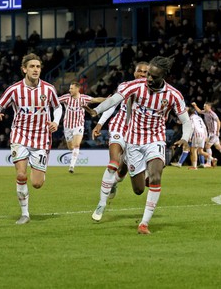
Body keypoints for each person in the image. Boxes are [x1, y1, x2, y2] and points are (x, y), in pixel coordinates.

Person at [85, 56, 192, 234]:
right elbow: (114, 100)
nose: (149, 78)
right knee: (138, 189)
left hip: (155, 139)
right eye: (148, 74)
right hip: (133, 141)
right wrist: (96, 111)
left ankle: (144, 223)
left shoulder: (174, 95)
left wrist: (186, 138)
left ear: (164, 75)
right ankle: (126, 176)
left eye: (154, 76)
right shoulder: (135, 86)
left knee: (156, 177)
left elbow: (186, 121)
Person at [0, 53, 62, 225]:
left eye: (38, 66)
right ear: (24, 69)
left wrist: (55, 121)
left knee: (37, 184)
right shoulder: (14, 89)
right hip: (20, 135)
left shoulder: (48, 89)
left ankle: (37, 169)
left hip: (41, 138)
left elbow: (58, 108)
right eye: (32, 66)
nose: (36, 69)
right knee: (21, 175)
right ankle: (25, 214)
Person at [90, 62, 148, 221]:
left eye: (145, 72)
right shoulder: (125, 86)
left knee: (122, 172)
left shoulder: (153, 90)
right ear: (134, 72)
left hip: (137, 132)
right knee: (114, 162)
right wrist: (100, 123)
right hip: (120, 125)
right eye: (139, 71)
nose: (142, 74)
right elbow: (113, 103)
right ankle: (101, 204)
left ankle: (114, 183)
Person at [58, 81, 106, 173]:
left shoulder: (84, 98)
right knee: (71, 147)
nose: (69, 90)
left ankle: (71, 166)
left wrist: (107, 99)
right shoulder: (66, 97)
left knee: (76, 145)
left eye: (71, 88)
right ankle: (74, 155)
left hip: (78, 125)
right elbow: (55, 100)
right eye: (70, 88)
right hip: (67, 125)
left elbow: (96, 100)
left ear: (77, 89)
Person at [191, 102, 221, 168]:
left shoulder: (212, 114)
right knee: (218, 147)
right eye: (204, 106)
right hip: (211, 133)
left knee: (207, 146)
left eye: (205, 106)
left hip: (214, 133)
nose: (204, 107)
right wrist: (195, 105)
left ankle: (209, 163)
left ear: (209, 107)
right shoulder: (205, 112)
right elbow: (199, 111)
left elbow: (218, 121)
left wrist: (217, 131)